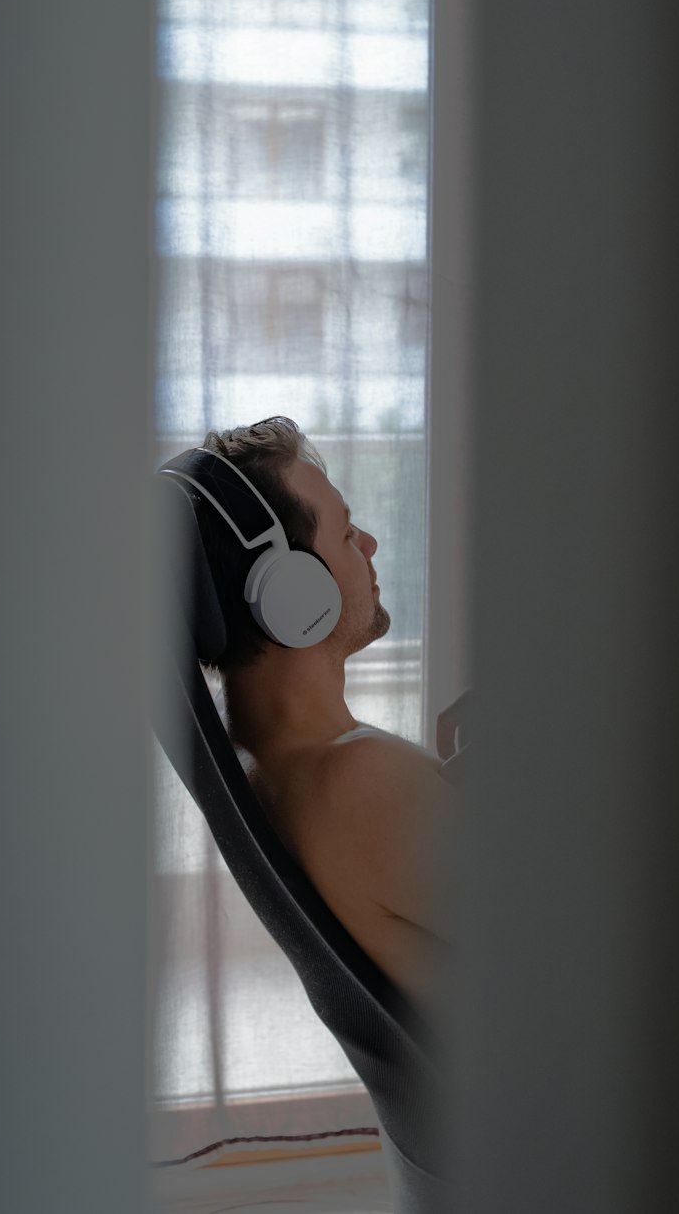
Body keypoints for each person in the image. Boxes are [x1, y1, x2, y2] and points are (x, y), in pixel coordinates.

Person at [190, 416, 467, 1013]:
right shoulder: (360, 780)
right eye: (345, 533)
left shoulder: (262, 764)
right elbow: (586, 947)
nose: (368, 543)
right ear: (292, 591)